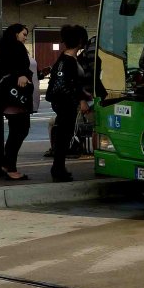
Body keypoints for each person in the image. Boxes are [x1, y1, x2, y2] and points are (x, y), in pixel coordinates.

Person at [47, 24, 92, 182]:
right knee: (64, 136)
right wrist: (82, 100)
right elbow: (73, 84)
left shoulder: (63, 58)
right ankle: (58, 169)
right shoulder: (70, 61)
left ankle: (58, 167)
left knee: (62, 135)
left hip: (60, 101)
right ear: (80, 41)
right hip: (67, 102)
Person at [0, 23, 33, 180]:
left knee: (16, 131)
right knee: (20, 130)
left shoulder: (4, 48)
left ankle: (7, 163)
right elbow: (17, 67)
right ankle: (10, 167)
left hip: (9, 98)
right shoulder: (16, 47)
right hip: (16, 98)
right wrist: (21, 75)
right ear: (16, 34)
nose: (25, 38)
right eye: (24, 34)